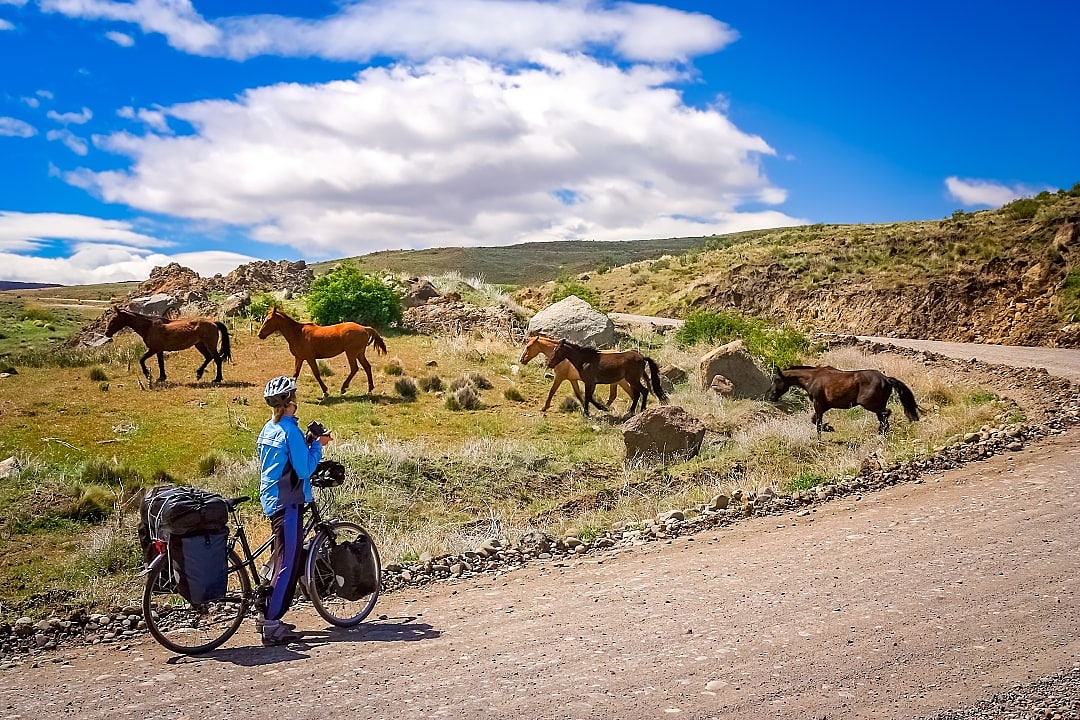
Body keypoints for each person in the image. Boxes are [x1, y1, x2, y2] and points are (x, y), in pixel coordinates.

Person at [257, 375, 331, 646]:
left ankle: (268, 608)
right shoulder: (290, 432)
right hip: (287, 501)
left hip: (271, 497)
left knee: (280, 554)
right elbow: (305, 470)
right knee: (288, 562)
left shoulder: (268, 429)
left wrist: (307, 441)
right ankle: (271, 623)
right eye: (295, 397)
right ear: (291, 402)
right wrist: (318, 446)